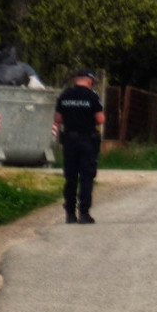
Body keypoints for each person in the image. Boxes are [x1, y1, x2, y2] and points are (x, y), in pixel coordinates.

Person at [54, 69, 105, 224]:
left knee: (70, 178)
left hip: (69, 142)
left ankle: (70, 214)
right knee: (86, 177)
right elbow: (100, 119)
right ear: (89, 80)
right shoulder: (92, 96)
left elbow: (58, 118)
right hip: (87, 142)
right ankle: (84, 213)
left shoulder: (64, 96)